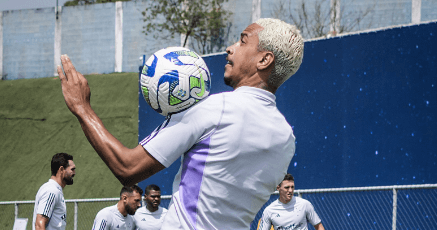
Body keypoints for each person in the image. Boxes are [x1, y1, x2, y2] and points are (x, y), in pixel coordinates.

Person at [58, 17, 304, 229]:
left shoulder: (216, 109)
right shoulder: (286, 139)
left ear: (264, 60)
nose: (231, 48)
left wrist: (82, 108)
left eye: (242, 40)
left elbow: (128, 168)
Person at [258, 174, 325, 230]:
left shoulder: (305, 204)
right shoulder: (269, 211)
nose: (290, 190)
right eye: (287, 187)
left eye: (292, 187)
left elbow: (319, 226)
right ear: (278, 188)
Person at [32, 153, 76, 230]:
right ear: (61, 170)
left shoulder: (55, 190)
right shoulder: (52, 191)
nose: (74, 173)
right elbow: (39, 225)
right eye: (72, 169)